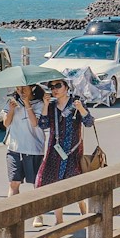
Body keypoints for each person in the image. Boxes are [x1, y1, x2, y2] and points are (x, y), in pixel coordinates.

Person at [36, 78, 96, 229]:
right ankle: (59, 219)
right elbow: (42, 124)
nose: (54, 89)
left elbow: (89, 122)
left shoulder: (76, 103)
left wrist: (81, 108)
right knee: (48, 181)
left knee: (74, 183)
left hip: (73, 151)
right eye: (51, 86)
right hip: (55, 151)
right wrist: (44, 104)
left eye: (58, 85)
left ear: (67, 87)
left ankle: (82, 207)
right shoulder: (51, 106)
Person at [1, 84, 47, 204]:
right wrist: (11, 109)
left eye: (24, 88)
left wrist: (27, 104)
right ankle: (12, 214)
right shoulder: (12, 102)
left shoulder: (39, 104)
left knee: (36, 183)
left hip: (33, 149)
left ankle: (38, 215)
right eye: (18, 88)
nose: (21, 91)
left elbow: (34, 123)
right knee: (13, 183)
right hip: (14, 148)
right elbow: (6, 123)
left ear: (31, 88)